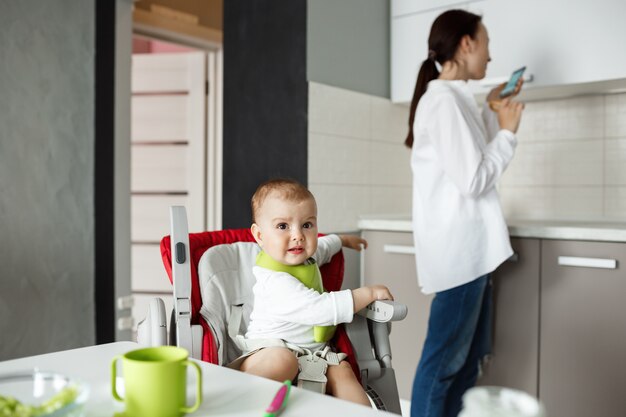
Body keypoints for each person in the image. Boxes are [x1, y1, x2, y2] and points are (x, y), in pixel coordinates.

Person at [405, 9, 525, 417]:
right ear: (467, 43)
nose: (490, 57)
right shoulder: (443, 103)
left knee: (465, 368)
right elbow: (475, 180)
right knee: (442, 367)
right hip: (462, 257)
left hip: (470, 255)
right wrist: (508, 132)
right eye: (486, 44)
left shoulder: (456, 101)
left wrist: (493, 116)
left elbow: (471, 168)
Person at [239, 178, 394, 406]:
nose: (298, 235)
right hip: (270, 350)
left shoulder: (304, 257)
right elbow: (321, 309)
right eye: (283, 226)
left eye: (307, 225)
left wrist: (341, 240)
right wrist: (368, 293)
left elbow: (322, 247)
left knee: (344, 373)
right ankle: (241, 398)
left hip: (315, 354)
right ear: (259, 235)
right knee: (283, 361)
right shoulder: (274, 281)